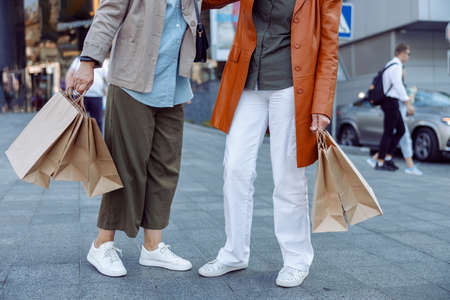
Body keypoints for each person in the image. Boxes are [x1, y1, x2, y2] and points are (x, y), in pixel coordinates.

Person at [199, 0, 342, 288]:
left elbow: (329, 46)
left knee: (288, 176)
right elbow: (211, 2)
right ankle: (234, 253)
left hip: (292, 86)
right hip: (248, 82)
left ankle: (296, 259)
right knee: (235, 168)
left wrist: (322, 104)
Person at [68, 0, 199, 277]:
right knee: (125, 166)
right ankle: (102, 244)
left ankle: (153, 246)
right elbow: (108, 13)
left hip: (174, 82)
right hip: (132, 80)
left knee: (166, 166)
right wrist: (88, 61)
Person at [367, 68, 423, 175]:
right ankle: (381, 161)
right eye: (403, 70)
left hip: (397, 112)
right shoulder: (396, 82)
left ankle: (382, 158)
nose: (404, 72)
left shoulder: (398, 83)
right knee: (395, 135)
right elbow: (402, 97)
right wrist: (410, 98)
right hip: (394, 110)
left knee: (399, 133)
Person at [374, 43, 413, 172]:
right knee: (388, 132)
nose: (408, 56)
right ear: (401, 53)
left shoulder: (391, 64)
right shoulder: (396, 66)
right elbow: (398, 85)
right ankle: (380, 162)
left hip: (392, 102)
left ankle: (388, 157)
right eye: (408, 53)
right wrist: (407, 103)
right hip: (390, 102)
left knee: (400, 130)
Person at [66, 56, 108, 132]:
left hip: (97, 96)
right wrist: (68, 90)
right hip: (80, 96)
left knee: (97, 122)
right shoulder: (78, 60)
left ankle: (97, 142)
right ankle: (79, 142)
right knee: (79, 122)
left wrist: (106, 89)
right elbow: (69, 74)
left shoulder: (102, 61)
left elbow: (106, 77)